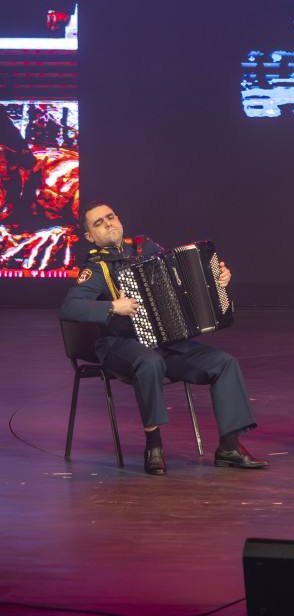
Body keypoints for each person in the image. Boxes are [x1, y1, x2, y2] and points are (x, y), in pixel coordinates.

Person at [59, 201, 266, 476]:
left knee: (223, 363)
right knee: (150, 362)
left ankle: (229, 448)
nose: (108, 223)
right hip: (119, 345)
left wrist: (218, 278)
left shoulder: (146, 250)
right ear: (89, 237)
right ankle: (153, 446)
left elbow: (181, 278)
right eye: (99, 223)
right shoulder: (96, 269)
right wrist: (112, 306)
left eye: (111, 217)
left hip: (164, 342)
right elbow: (69, 308)